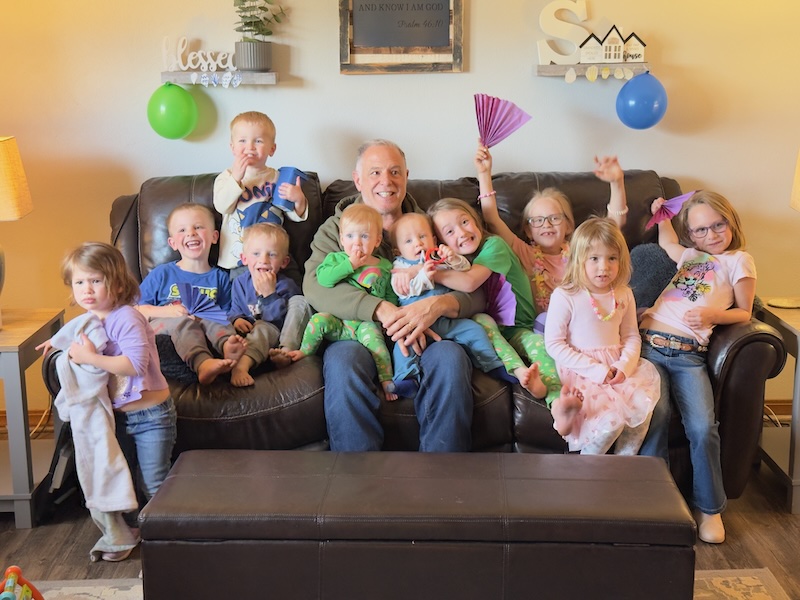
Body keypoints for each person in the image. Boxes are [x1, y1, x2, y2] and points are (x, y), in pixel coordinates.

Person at [303, 139, 477, 452]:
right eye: (375, 172)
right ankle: (360, 483)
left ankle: (445, 480)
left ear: (407, 176)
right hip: (356, 335)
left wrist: (439, 304)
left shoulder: (433, 226)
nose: (387, 181)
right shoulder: (335, 229)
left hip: (427, 333)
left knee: (451, 357)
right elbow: (314, 286)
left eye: (395, 172)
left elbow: (478, 288)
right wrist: (380, 308)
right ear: (357, 180)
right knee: (343, 361)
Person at [37, 242, 176, 562]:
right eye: (80, 282)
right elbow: (77, 330)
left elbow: (134, 365)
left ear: (116, 282)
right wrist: (58, 341)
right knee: (122, 477)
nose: (87, 289)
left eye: (96, 281)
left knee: (153, 480)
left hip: (151, 414)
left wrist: (88, 357)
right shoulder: (90, 318)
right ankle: (132, 533)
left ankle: (170, 543)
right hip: (119, 416)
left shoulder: (126, 317)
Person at [639, 190, 756, 544]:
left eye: (718, 225)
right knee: (653, 418)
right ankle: (652, 503)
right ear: (691, 235)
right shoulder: (690, 256)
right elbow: (667, 240)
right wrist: (661, 215)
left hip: (689, 355)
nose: (711, 235)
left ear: (730, 221)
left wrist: (712, 315)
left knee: (704, 427)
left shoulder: (739, 260)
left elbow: (745, 312)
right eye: (701, 230)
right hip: (648, 347)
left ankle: (709, 507)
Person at [389, 212, 540, 396]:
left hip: (448, 319)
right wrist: (421, 275)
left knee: (475, 330)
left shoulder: (438, 258)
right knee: (403, 344)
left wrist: (453, 259)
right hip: (416, 325)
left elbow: (465, 271)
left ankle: (493, 364)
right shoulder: (400, 268)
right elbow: (405, 291)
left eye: (422, 237)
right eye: (408, 241)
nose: (418, 243)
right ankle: (406, 378)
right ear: (397, 251)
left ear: (434, 239)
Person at [544, 218, 660, 455]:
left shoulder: (624, 294)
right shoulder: (565, 295)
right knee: (609, 425)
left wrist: (624, 366)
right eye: (594, 259)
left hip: (618, 370)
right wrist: (596, 370)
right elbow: (554, 344)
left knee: (641, 412)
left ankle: (622, 467)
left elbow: (631, 336)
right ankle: (588, 472)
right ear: (579, 260)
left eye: (611, 258)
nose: (603, 267)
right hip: (583, 372)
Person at [428, 197, 560, 406]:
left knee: (537, 345)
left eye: (464, 222)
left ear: (476, 220)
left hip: (520, 327)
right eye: (450, 231)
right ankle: (520, 373)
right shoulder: (456, 262)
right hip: (494, 332)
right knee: (479, 320)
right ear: (440, 242)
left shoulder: (494, 245)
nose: (462, 233)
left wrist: (427, 274)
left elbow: (470, 282)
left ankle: (558, 400)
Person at [474, 144, 628, 319]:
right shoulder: (525, 253)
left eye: (554, 218)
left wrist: (617, 183)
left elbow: (612, 228)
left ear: (568, 226)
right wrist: (484, 174)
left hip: (585, 318)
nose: (546, 224)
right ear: (529, 231)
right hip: (547, 325)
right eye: (538, 220)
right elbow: (492, 219)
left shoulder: (580, 249)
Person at [289, 203, 400, 399]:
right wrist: (349, 264)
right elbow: (324, 280)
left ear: (377, 240)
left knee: (378, 345)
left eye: (364, 236)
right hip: (338, 322)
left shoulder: (384, 266)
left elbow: (390, 295)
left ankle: (386, 379)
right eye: (350, 236)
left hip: (365, 324)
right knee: (317, 321)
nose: (357, 243)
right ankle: (305, 352)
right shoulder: (335, 259)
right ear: (341, 239)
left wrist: (388, 318)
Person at [137, 203, 248, 385]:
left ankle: (228, 346)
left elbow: (227, 311)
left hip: (204, 323)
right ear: (172, 243)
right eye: (182, 230)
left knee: (217, 319)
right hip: (166, 324)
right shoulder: (162, 273)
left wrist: (235, 320)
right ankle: (202, 364)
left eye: (198, 227)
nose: (191, 233)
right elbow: (135, 310)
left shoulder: (220, 277)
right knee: (182, 322)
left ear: (214, 237)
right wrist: (166, 312)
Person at [213, 111, 308, 275]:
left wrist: (298, 199)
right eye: (242, 141)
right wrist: (236, 178)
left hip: (273, 256)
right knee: (243, 292)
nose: (250, 147)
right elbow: (222, 207)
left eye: (258, 141)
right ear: (233, 148)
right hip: (239, 258)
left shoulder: (278, 177)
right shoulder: (226, 177)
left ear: (272, 149)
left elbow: (293, 214)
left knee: (290, 285)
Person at [228, 222, 312, 386]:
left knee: (300, 301)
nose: (264, 260)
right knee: (263, 328)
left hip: (284, 334)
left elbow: (284, 320)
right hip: (258, 336)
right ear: (244, 258)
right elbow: (234, 310)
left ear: (284, 262)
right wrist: (237, 320)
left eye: (272, 254)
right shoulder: (239, 283)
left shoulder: (286, 285)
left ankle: (285, 353)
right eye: (256, 254)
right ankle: (241, 367)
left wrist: (269, 294)